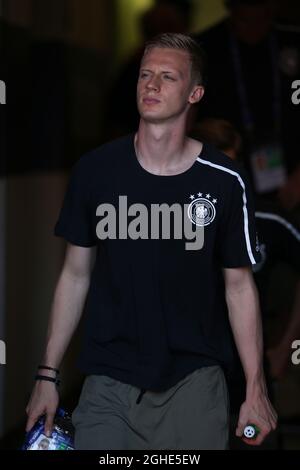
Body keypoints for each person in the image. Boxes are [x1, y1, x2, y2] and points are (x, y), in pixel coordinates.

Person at [25, 33, 277, 450]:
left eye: (167, 76)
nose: (151, 84)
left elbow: (239, 287)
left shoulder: (224, 179)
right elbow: (74, 276)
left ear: (195, 92)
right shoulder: (95, 171)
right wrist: (47, 375)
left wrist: (256, 388)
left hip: (193, 380)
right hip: (107, 381)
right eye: (145, 74)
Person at [192, 117, 300, 447]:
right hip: (186, 385)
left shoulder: (266, 219)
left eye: (232, 161)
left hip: (250, 383)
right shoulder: (171, 219)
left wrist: (285, 348)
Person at [193, 0, 300, 207]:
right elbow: (185, 123)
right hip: (223, 182)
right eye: (245, 20)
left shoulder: (293, 40)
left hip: (291, 179)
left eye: (262, 17)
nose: (254, 28)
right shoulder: (204, 49)